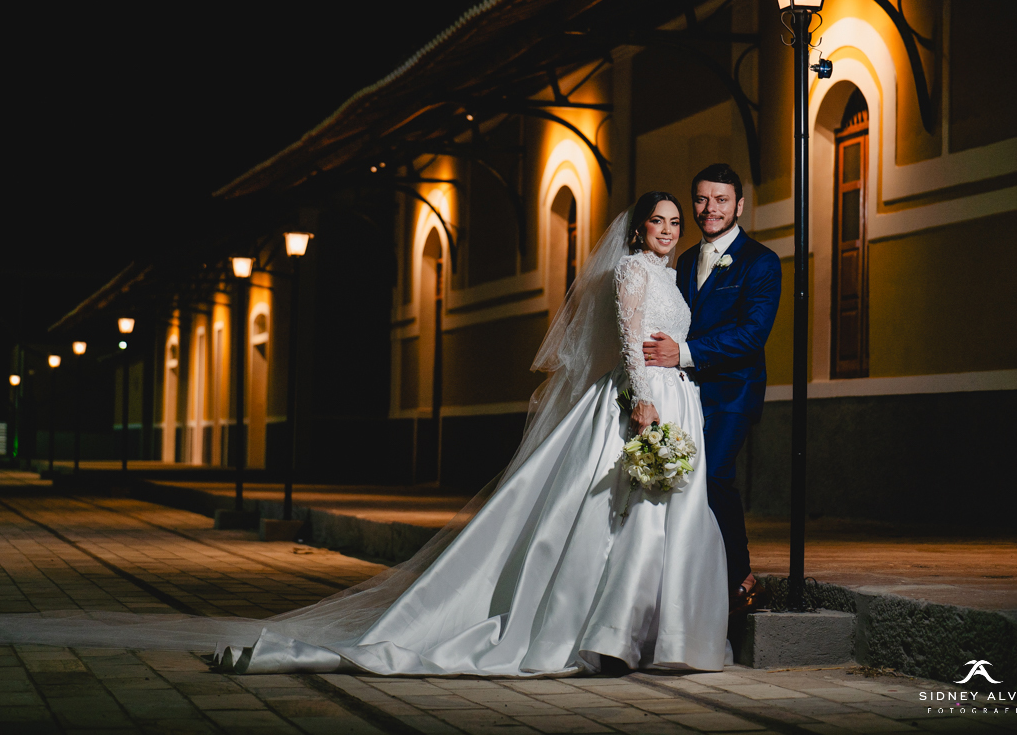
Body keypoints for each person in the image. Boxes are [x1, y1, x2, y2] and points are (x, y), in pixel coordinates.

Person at [214, 192, 729, 676]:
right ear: (639, 230)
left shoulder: (670, 276)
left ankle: (655, 633)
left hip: (678, 397)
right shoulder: (632, 270)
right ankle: (606, 635)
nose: (667, 230)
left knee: (665, 516)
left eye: (675, 223)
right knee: (624, 514)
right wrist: (641, 399)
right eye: (658, 221)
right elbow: (627, 339)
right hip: (643, 399)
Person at [642, 164, 781, 615]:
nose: (710, 209)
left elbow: (752, 335)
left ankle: (740, 578)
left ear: (739, 205)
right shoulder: (682, 262)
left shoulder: (760, 262)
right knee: (685, 483)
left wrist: (681, 353)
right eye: (701, 200)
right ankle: (692, 577)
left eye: (721, 200)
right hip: (683, 391)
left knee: (717, 473)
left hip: (732, 391)